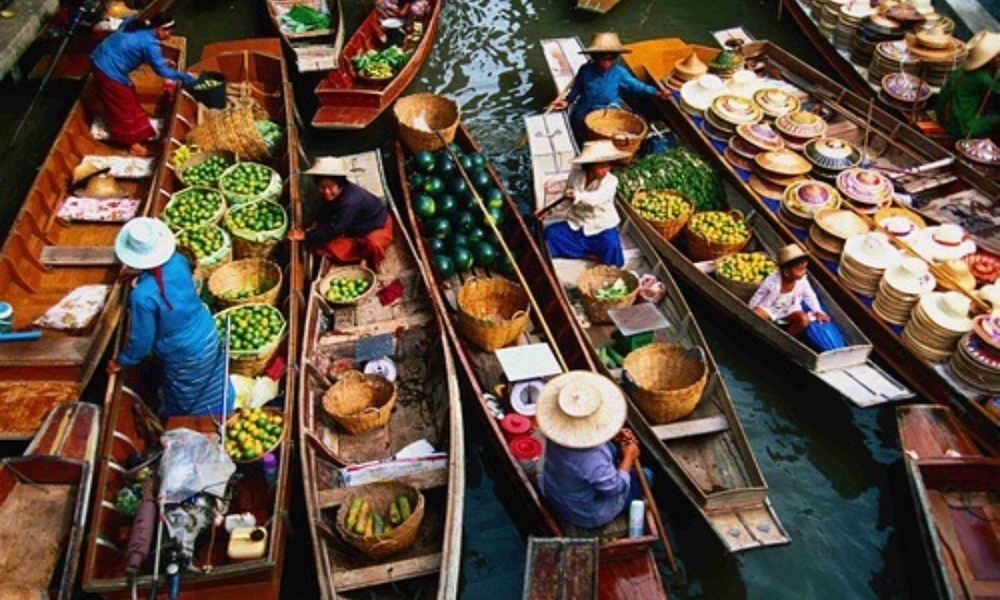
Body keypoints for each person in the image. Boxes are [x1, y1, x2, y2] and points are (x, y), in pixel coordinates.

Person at [107, 218, 234, 417]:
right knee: (214, 379)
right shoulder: (178, 260)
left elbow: (142, 341)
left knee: (190, 393)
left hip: (182, 349)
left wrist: (122, 361)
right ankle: (225, 407)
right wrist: (139, 274)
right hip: (206, 330)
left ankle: (199, 421)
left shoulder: (141, 296)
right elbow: (166, 279)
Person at [536, 371, 651, 530]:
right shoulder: (590, 457)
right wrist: (629, 458)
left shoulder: (556, 431)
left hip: (558, 490)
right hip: (586, 511)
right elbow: (614, 488)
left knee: (610, 448)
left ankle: (617, 465)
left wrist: (612, 434)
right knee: (646, 475)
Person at [91, 12, 196, 157]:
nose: (169, 34)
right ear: (158, 29)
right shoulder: (150, 44)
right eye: (167, 31)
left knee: (129, 95)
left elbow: (127, 23)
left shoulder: (133, 25)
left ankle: (138, 130)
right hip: (108, 69)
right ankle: (133, 144)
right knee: (123, 106)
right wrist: (184, 77)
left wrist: (159, 60)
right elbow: (161, 70)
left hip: (100, 58)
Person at [548, 32, 670, 142]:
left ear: (615, 57)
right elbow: (576, 89)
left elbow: (637, 86)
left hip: (611, 108)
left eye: (610, 58)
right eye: (603, 58)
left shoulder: (619, 72)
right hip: (586, 109)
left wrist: (657, 93)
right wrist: (566, 101)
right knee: (585, 128)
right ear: (595, 57)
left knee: (625, 129)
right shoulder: (585, 70)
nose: (606, 62)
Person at [288, 157, 394, 270]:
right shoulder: (336, 194)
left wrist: (305, 235)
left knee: (374, 245)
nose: (327, 192)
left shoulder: (350, 200)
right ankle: (361, 254)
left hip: (377, 227)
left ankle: (372, 263)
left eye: (331, 187)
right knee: (320, 240)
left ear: (340, 185)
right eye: (322, 187)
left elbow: (336, 228)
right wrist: (316, 222)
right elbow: (325, 210)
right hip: (354, 228)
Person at [542, 140, 629, 267]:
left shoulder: (611, 181)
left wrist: (578, 195)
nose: (605, 170)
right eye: (601, 167)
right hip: (577, 223)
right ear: (590, 166)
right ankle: (588, 255)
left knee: (611, 244)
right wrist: (549, 211)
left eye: (607, 166)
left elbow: (598, 198)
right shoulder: (576, 175)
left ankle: (598, 256)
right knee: (551, 234)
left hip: (601, 227)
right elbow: (566, 199)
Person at [750, 244, 830, 336]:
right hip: (770, 309)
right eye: (800, 270)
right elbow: (758, 295)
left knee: (803, 320)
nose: (804, 272)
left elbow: (809, 295)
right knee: (756, 315)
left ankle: (785, 336)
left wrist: (817, 311)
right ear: (786, 272)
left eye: (804, 269)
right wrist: (750, 310)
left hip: (788, 310)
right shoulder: (771, 281)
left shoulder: (802, 281)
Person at [936, 30, 1000, 139]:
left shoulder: (963, 70)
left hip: (943, 116)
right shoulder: (982, 79)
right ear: (991, 60)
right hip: (960, 126)